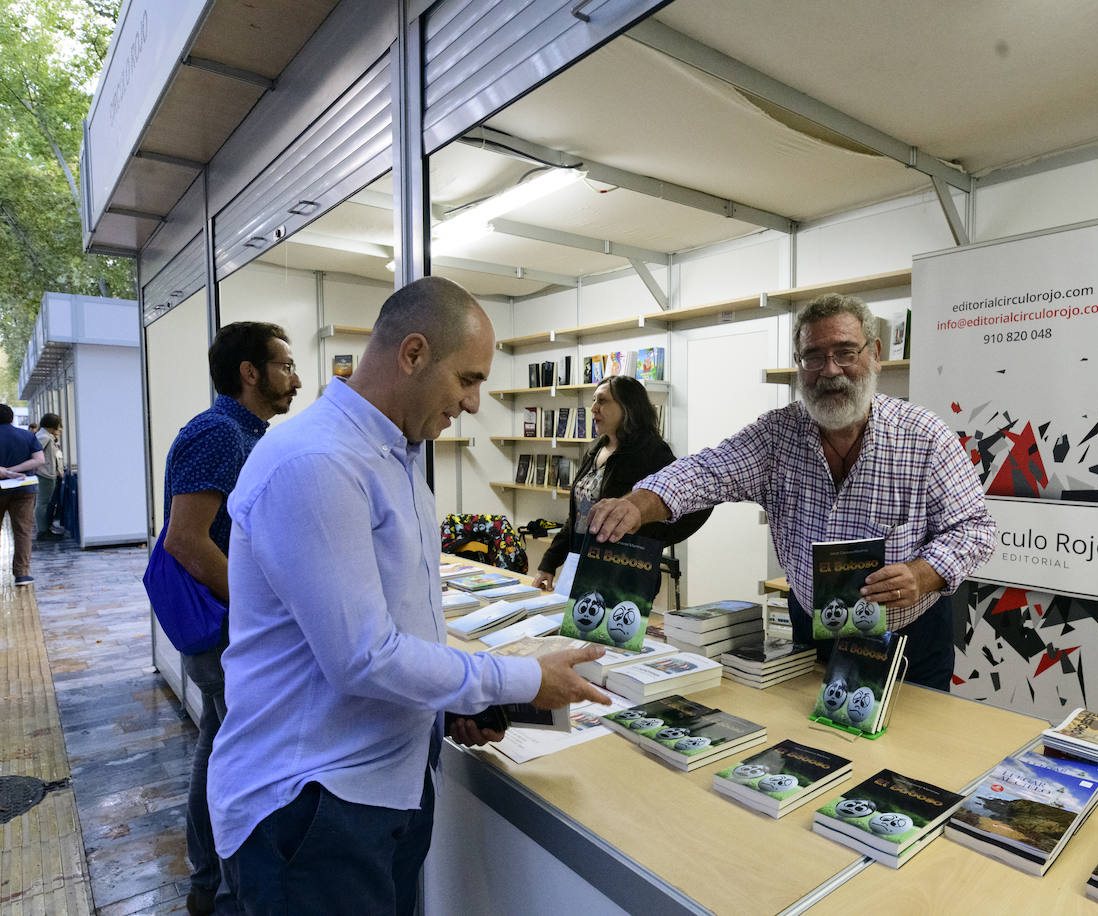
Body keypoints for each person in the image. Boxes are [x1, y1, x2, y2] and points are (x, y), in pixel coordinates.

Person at [208, 276, 608, 915]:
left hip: (378, 790)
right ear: (414, 353)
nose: (475, 404)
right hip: (313, 804)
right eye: (468, 379)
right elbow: (362, 655)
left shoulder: (393, 456)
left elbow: (403, 619)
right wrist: (517, 679)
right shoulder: (317, 463)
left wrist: (453, 706)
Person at [587, 293, 996, 689]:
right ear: (799, 364)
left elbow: (974, 528)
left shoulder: (924, 436)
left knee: (919, 755)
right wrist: (637, 504)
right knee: (814, 747)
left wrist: (923, 575)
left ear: (874, 353)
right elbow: (706, 471)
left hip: (909, 638)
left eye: (846, 352)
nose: (830, 370)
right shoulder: (777, 435)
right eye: (813, 356)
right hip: (811, 631)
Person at [163, 321, 301, 916]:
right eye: (285, 365)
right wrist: (258, 606)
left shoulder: (246, 433)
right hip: (224, 631)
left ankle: (207, 880)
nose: (297, 378)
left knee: (220, 746)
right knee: (238, 755)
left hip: (231, 628)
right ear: (250, 373)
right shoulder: (218, 433)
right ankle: (223, 887)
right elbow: (186, 541)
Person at [531, 375, 711, 592]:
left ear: (628, 406)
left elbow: (698, 503)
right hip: (581, 568)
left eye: (603, 401)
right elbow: (578, 516)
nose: (593, 408)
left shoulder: (651, 451)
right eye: (594, 400)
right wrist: (549, 563)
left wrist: (648, 539)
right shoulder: (596, 448)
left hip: (624, 576)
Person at [0, 405, 46, 586]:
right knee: (23, 531)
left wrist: (5, 471)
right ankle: (22, 574)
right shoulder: (28, 436)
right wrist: (13, 471)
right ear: (12, 418)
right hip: (23, 489)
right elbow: (39, 460)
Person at [34, 414, 64, 540]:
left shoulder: (45, 436)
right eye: (59, 425)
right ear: (52, 426)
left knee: (44, 503)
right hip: (45, 475)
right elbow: (35, 454)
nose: (60, 428)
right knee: (42, 503)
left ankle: (45, 528)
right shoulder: (44, 437)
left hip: (47, 474)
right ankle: (42, 531)